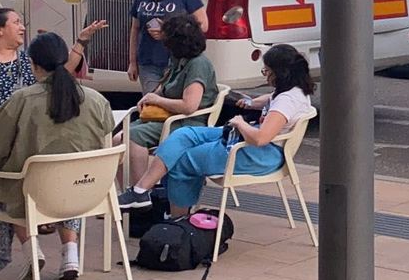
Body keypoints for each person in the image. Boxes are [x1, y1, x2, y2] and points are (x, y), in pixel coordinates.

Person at [0, 33, 114, 280]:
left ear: (34, 65)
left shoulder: (22, 99)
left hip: (32, 196)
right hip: (85, 193)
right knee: (66, 172)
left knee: (9, 180)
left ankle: (31, 250)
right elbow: (107, 131)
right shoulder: (95, 99)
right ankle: (70, 254)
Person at [118, 44, 313, 215]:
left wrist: (240, 123)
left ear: (280, 73)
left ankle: (178, 219)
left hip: (259, 153)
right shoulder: (293, 90)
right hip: (251, 144)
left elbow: (261, 138)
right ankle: (140, 192)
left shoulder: (287, 101)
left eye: (267, 71)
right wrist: (251, 102)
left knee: (182, 161)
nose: (266, 75)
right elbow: (271, 99)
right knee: (183, 134)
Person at [114, 14, 217, 183]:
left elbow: (189, 106)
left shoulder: (198, 65)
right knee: (117, 139)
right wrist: (152, 95)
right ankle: (128, 189)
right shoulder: (178, 59)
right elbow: (166, 86)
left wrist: (157, 100)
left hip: (186, 121)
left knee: (132, 137)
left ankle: (141, 192)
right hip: (167, 116)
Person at [127, 0, 207, 94]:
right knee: (153, 104)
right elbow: (135, 28)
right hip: (148, 62)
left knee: (173, 102)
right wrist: (133, 61)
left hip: (178, 61)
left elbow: (203, 25)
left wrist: (169, 32)